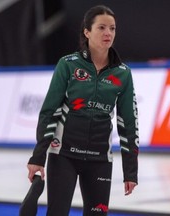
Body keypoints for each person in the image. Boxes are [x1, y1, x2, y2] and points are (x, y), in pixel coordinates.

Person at [26, 4, 139, 216]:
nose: (108, 33)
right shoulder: (67, 65)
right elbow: (50, 112)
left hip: (100, 161)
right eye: (102, 27)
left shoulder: (123, 74)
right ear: (87, 32)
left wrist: (130, 171)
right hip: (64, 156)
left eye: (112, 28)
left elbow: (128, 123)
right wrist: (38, 157)